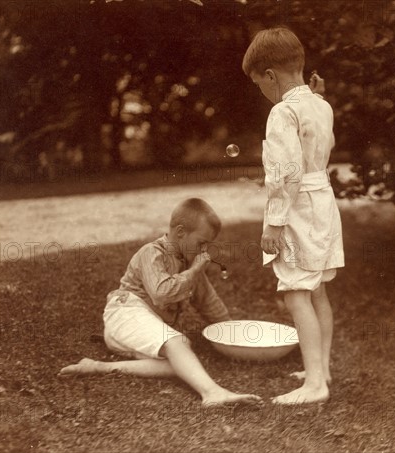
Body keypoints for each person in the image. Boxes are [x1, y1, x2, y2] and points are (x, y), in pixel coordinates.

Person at [60, 198, 261, 407]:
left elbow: (208, 303)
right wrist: (193, 273)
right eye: (202, 243)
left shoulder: (189, 261)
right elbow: (162, 293)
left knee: (180, 362)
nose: (205, 251)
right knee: (179, 343)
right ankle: (212, 393)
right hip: (125, 312)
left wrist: (233, 337)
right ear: (181, 232)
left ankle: (96, 367)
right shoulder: (152, 253)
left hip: (135, 331)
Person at [242, 27, 345, 405]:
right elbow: (324, 145)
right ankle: (322, 369)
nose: (262, 92)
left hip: (299, 205)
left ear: (270, 75)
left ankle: (315, 384)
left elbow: (285, 172)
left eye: (259, 84)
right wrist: (316, 96)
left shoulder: (282, 112)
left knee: (296, 293)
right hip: (323, 202)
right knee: (317, 287)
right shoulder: (322, 104)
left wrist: (274, 222)